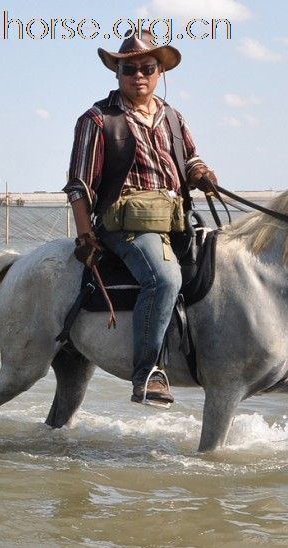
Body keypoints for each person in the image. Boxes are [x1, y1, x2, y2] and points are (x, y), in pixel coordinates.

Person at [63, 30, 217, 408]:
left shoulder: (173, 116)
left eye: (147, 68)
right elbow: (78, 186)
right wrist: (86, 238)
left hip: (176, 218)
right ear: (117, 72)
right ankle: (147, 374)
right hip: (125, 225)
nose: (138, 75)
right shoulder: (97, 119)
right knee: (165, 278)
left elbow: (191, 158)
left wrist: (201, 174)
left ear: (159, 70)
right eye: (128, 68)